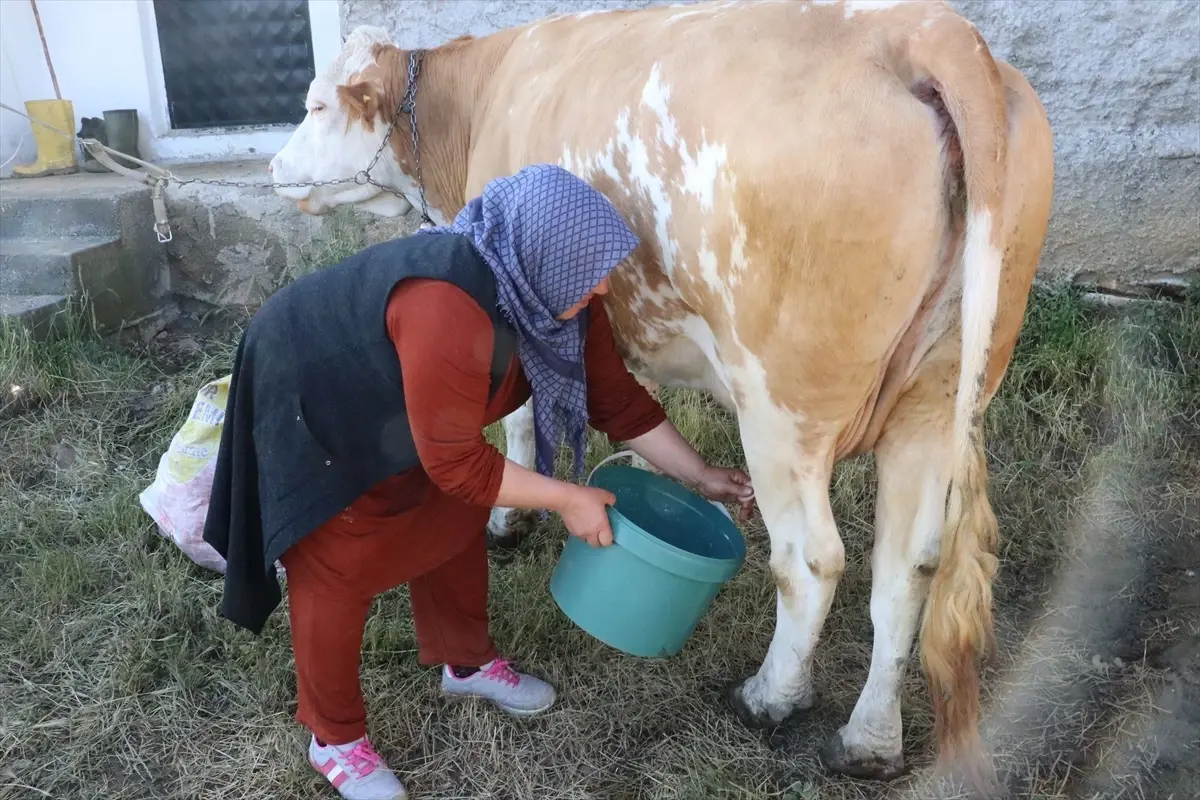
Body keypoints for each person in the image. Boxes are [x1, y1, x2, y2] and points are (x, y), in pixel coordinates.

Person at [202, 164, 755, 800]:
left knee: (454, 517)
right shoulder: (446, 308)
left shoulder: (557, 297)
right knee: (342, 557)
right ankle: (334, 738)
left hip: (407, 412)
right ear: (539, 256)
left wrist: (702, 475)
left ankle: (465, 663)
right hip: (320, 396)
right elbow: (459, 463)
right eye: (588, 268)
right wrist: (567, 497)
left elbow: (616, 401)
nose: (602, 285)